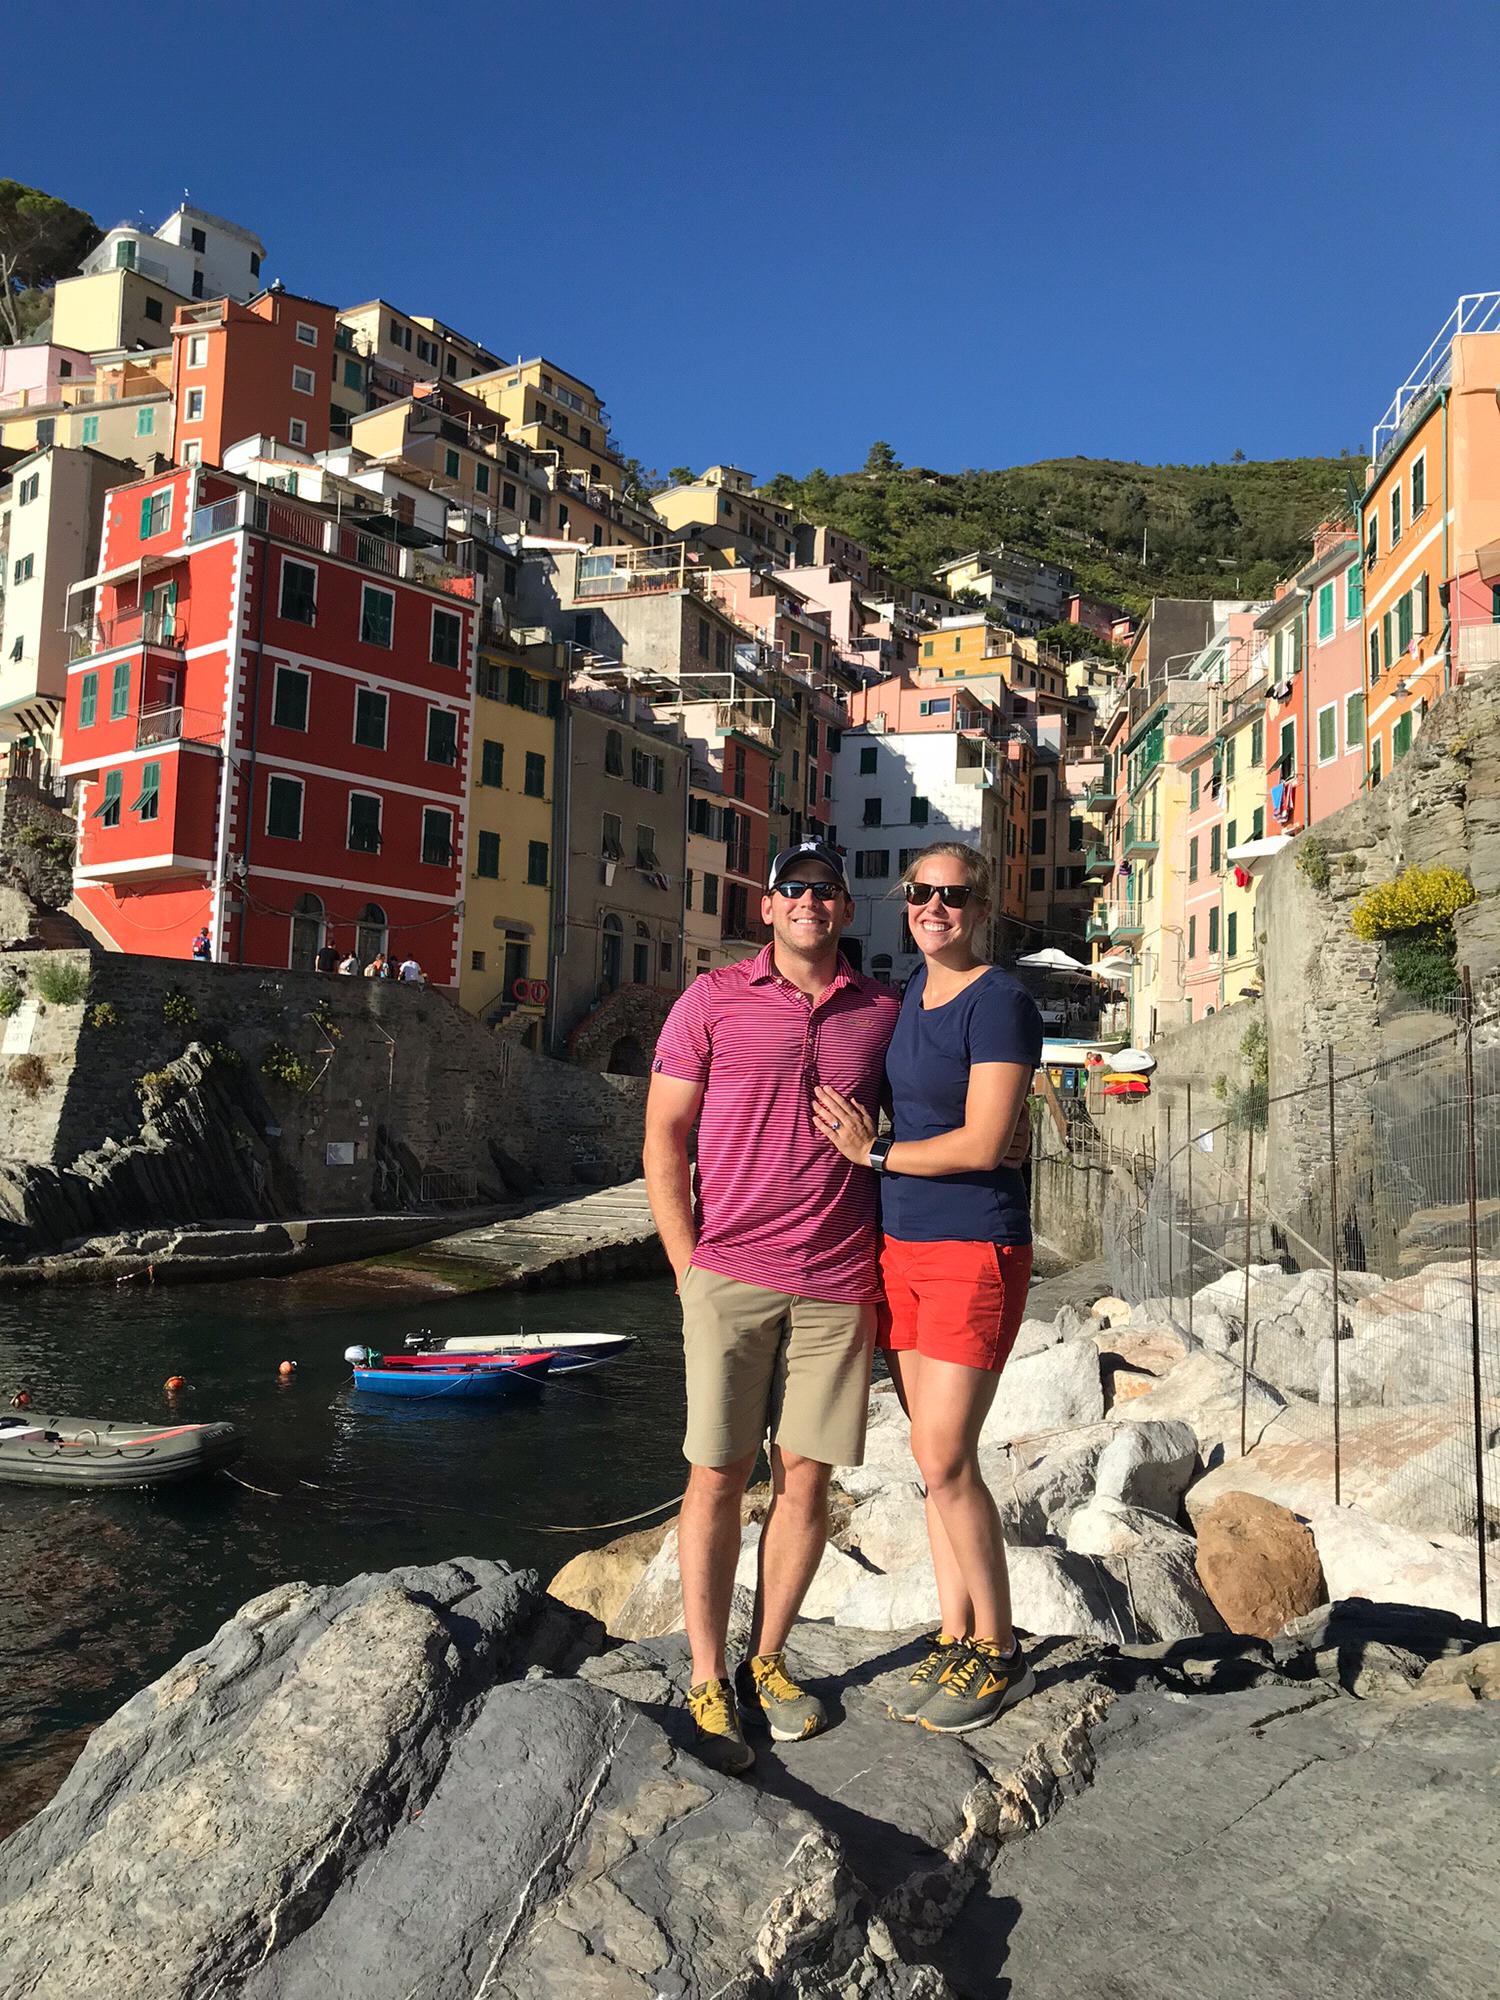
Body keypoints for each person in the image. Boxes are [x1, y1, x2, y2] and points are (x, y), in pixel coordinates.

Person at [644, 840, 899, 1775]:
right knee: (715, 1473)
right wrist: (687, 1268)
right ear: (766, 906)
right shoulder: (710, 999)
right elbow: (663, 1138)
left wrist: (888, 1144)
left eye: (825, 890)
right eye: (792, 888)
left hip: (839, 1281)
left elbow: (928, 1116)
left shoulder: (882, 1012)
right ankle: (707, 1676)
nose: (808, 902)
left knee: (806, 1481)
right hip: (730, 1275)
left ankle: (768, 1661)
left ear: (846, 909)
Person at [814, 842, 1042, 1736]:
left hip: (973, 1245)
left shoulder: (999, 1001)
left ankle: (1001, 1651)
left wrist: (871, 1153)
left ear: (981, 908)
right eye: (919, 893)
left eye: (952, 895)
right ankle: (957, 1635)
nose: (933, 908)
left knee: (946, 1458)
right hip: (899, 1247)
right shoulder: (909, 993)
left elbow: (985, 1143)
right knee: (930, 1458)